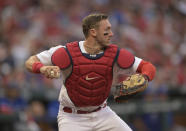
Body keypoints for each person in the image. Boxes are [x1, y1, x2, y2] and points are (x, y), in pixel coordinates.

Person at [25, 13, 156, 131]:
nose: (112, 34)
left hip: (102, 113)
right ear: (93, 32)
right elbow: (30, 62)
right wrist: (42, 68)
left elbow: (148, 66)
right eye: (107, 30)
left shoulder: (114, 54)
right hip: (72, 117)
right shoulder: (67, 53)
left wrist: (144, 77)